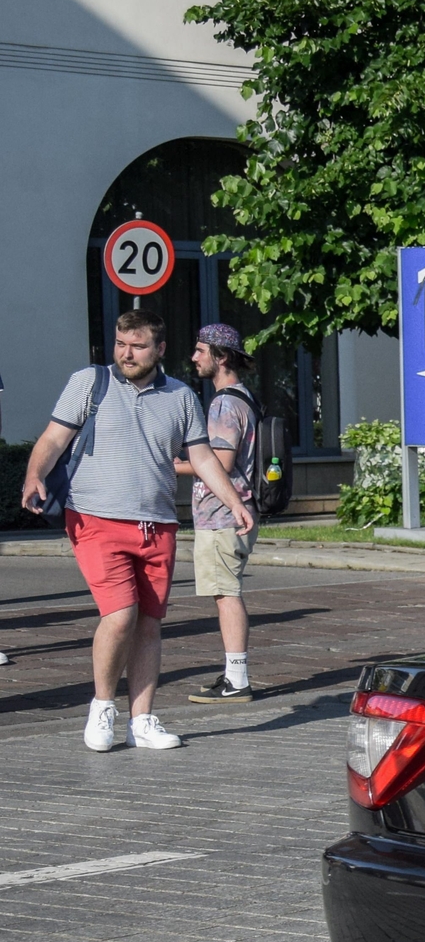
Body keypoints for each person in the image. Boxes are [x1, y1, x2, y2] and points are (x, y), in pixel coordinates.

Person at [17, 308, 256, 751]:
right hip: (95, 517)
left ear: (160, 349)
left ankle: (142, 719)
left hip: (158, 524)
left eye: (138, 346)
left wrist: (234, 502)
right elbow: (53, 439)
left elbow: (203, 458)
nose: (127, 354)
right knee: (121, 613)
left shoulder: (181, 396)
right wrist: (34, 474)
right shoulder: (89, 383)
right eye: (121, 344)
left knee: (149, 622)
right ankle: (103, 707)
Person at [170, 324, 259, 703]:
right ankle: (233, 674)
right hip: (233, 512)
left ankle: (237, 679)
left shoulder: (224, 403)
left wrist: (172, 463)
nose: (194, 358)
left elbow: (220, 461)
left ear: (221, 357)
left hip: (224, 514)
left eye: (200, 350)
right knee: (225, 591)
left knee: (226, 594)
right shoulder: (245, 398)